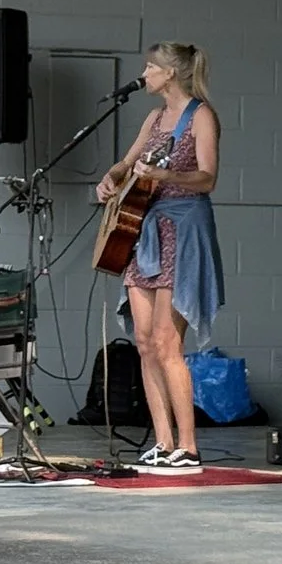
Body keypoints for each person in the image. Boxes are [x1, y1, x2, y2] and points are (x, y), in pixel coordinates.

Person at [94, 42, 225, 474]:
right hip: (145, 232)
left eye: (151, 67)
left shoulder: (201, 116)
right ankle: (164, 442)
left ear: (170, 73)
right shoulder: (153, 118)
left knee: (169, 343)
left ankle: (188, 446)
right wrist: (111, 178)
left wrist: (164, 174)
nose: (145, 73)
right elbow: (126, 163)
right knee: (145, 341)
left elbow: (207, 178)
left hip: (182, 232)